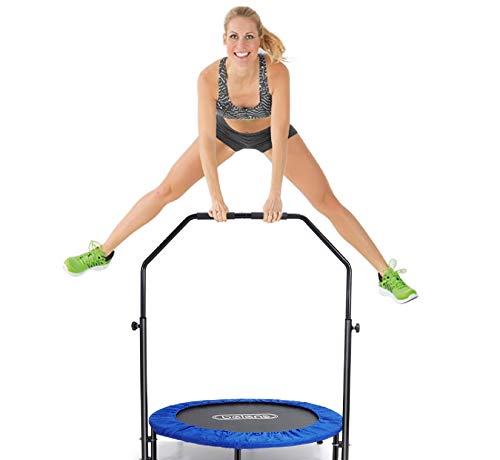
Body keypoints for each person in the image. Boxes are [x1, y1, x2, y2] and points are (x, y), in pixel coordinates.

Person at [63, 5, 418, 304]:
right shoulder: (208, 77)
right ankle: (103, 251)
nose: (241, 45)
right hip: (224, 135)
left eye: (249, 37)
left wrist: (275, 193)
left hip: (271, 136)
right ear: (224, 39)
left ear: (260, 39)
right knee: (165, 191)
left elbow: (279, 133)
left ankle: (385, 274)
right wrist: (215, 197)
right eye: (234, 36)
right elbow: (206, 139)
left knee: (326, 201)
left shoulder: (276, 73)